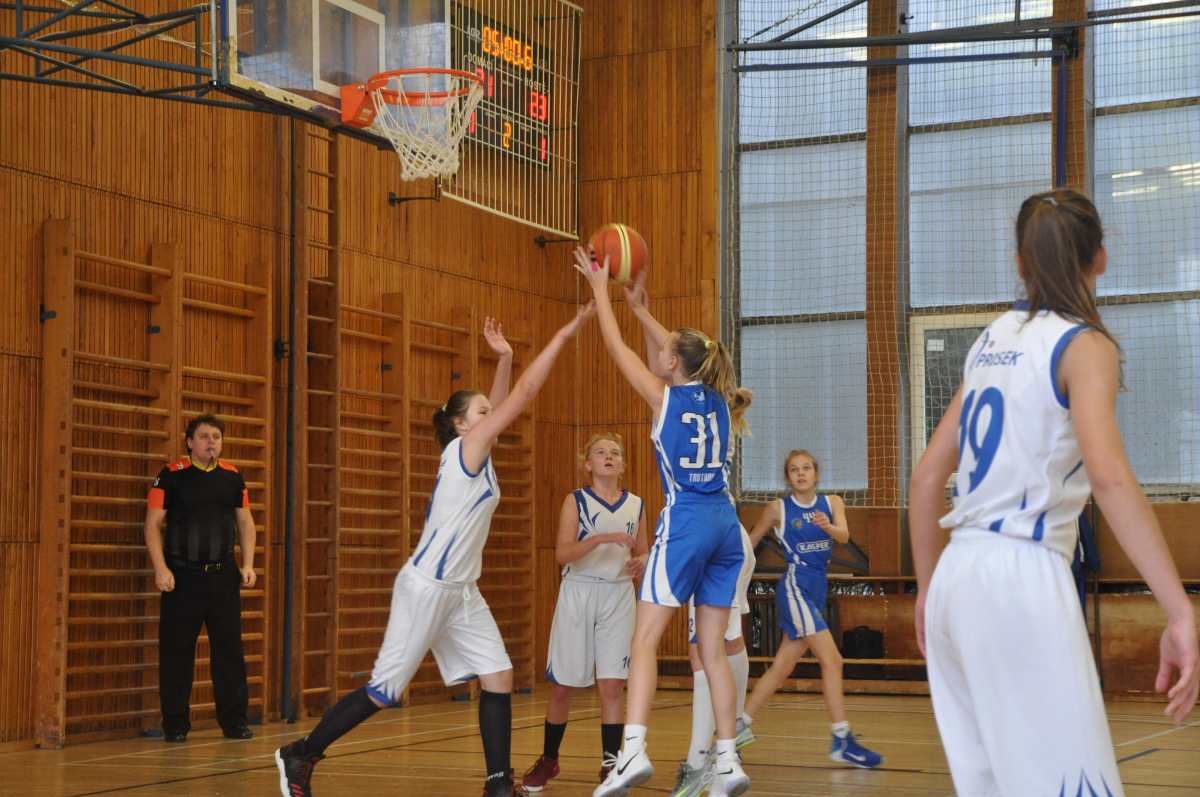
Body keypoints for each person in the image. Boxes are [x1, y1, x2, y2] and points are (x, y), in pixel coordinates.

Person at [909, 188, 1199, 796]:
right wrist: (1178, 609)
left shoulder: (991, 339)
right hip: (1020, 574)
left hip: (957, 575)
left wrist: (930, 590)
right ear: (1101, 257)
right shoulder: (1083, 344)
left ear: (1020, 263)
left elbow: (927, 476)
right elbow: (1110, 478)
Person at [275, 311, 594, 797]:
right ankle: (301, 753)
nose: (492, 414)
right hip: (427, 587)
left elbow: (503, 403)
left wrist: (505, 358)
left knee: (499, 675)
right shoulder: (465, 452)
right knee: (384, 690)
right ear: (461, 425)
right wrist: (564, 332)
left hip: (462, 591)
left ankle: (496, 783)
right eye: (483, 412)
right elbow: (524, 395)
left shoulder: (476, 450)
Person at [573, 252, 753, 797]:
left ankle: (631, 751)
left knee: (645, 639)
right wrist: (642, 311)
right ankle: (727, 760)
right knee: (712, 649)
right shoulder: (722, 399)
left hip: (687, 522)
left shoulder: (664, 398)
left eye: (665, 350)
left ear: (673, 362)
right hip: (727, 526)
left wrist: (602, 292)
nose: (657, 352)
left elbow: (618, 348)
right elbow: (682, 353)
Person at [738, 450, 882, 770]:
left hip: (818, 586)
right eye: (794, 469)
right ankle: (841, 738)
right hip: (795, 586)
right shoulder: (778, 508)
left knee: (782, 666)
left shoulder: (832, 502)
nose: (801, 473)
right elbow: (750, 542)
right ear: (788, 477)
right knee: (833, 660)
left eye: (806, 468)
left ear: (816, 474)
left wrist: (828, 527)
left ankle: (738, 727)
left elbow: (844, 536)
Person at [521, 433, 648, 791]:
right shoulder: (575, 500)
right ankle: (549, 759)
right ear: (588, 464)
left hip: (618, 594)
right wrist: (601, 538)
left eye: (615, 453)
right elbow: (562, 554)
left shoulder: (636, 504)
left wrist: (641, 561)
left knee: (612, 684)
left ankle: (610, 764)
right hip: (578, 591)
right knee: (563, 685)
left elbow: (643, 549)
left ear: (622, 464)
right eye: (601, 452)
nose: (609, 456)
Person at [144, 413, 256, 742]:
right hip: (183, 578)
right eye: (205, 437)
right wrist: (160, 568)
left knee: (229, 653)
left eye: (216, 437)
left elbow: (246, 523)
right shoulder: (169, 476)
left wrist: (248, 564)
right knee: (176, 653)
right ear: (190, 442)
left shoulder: (233, 477)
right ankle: (175, 725)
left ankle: (234, 722)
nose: (211, 443)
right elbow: (152, 525)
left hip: (223, 577)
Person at [669, 525, 755, 797]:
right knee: (728, 642)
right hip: (731, 537)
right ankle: (733, 736)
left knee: (703, 653)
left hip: (710, 537)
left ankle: (698, 762)